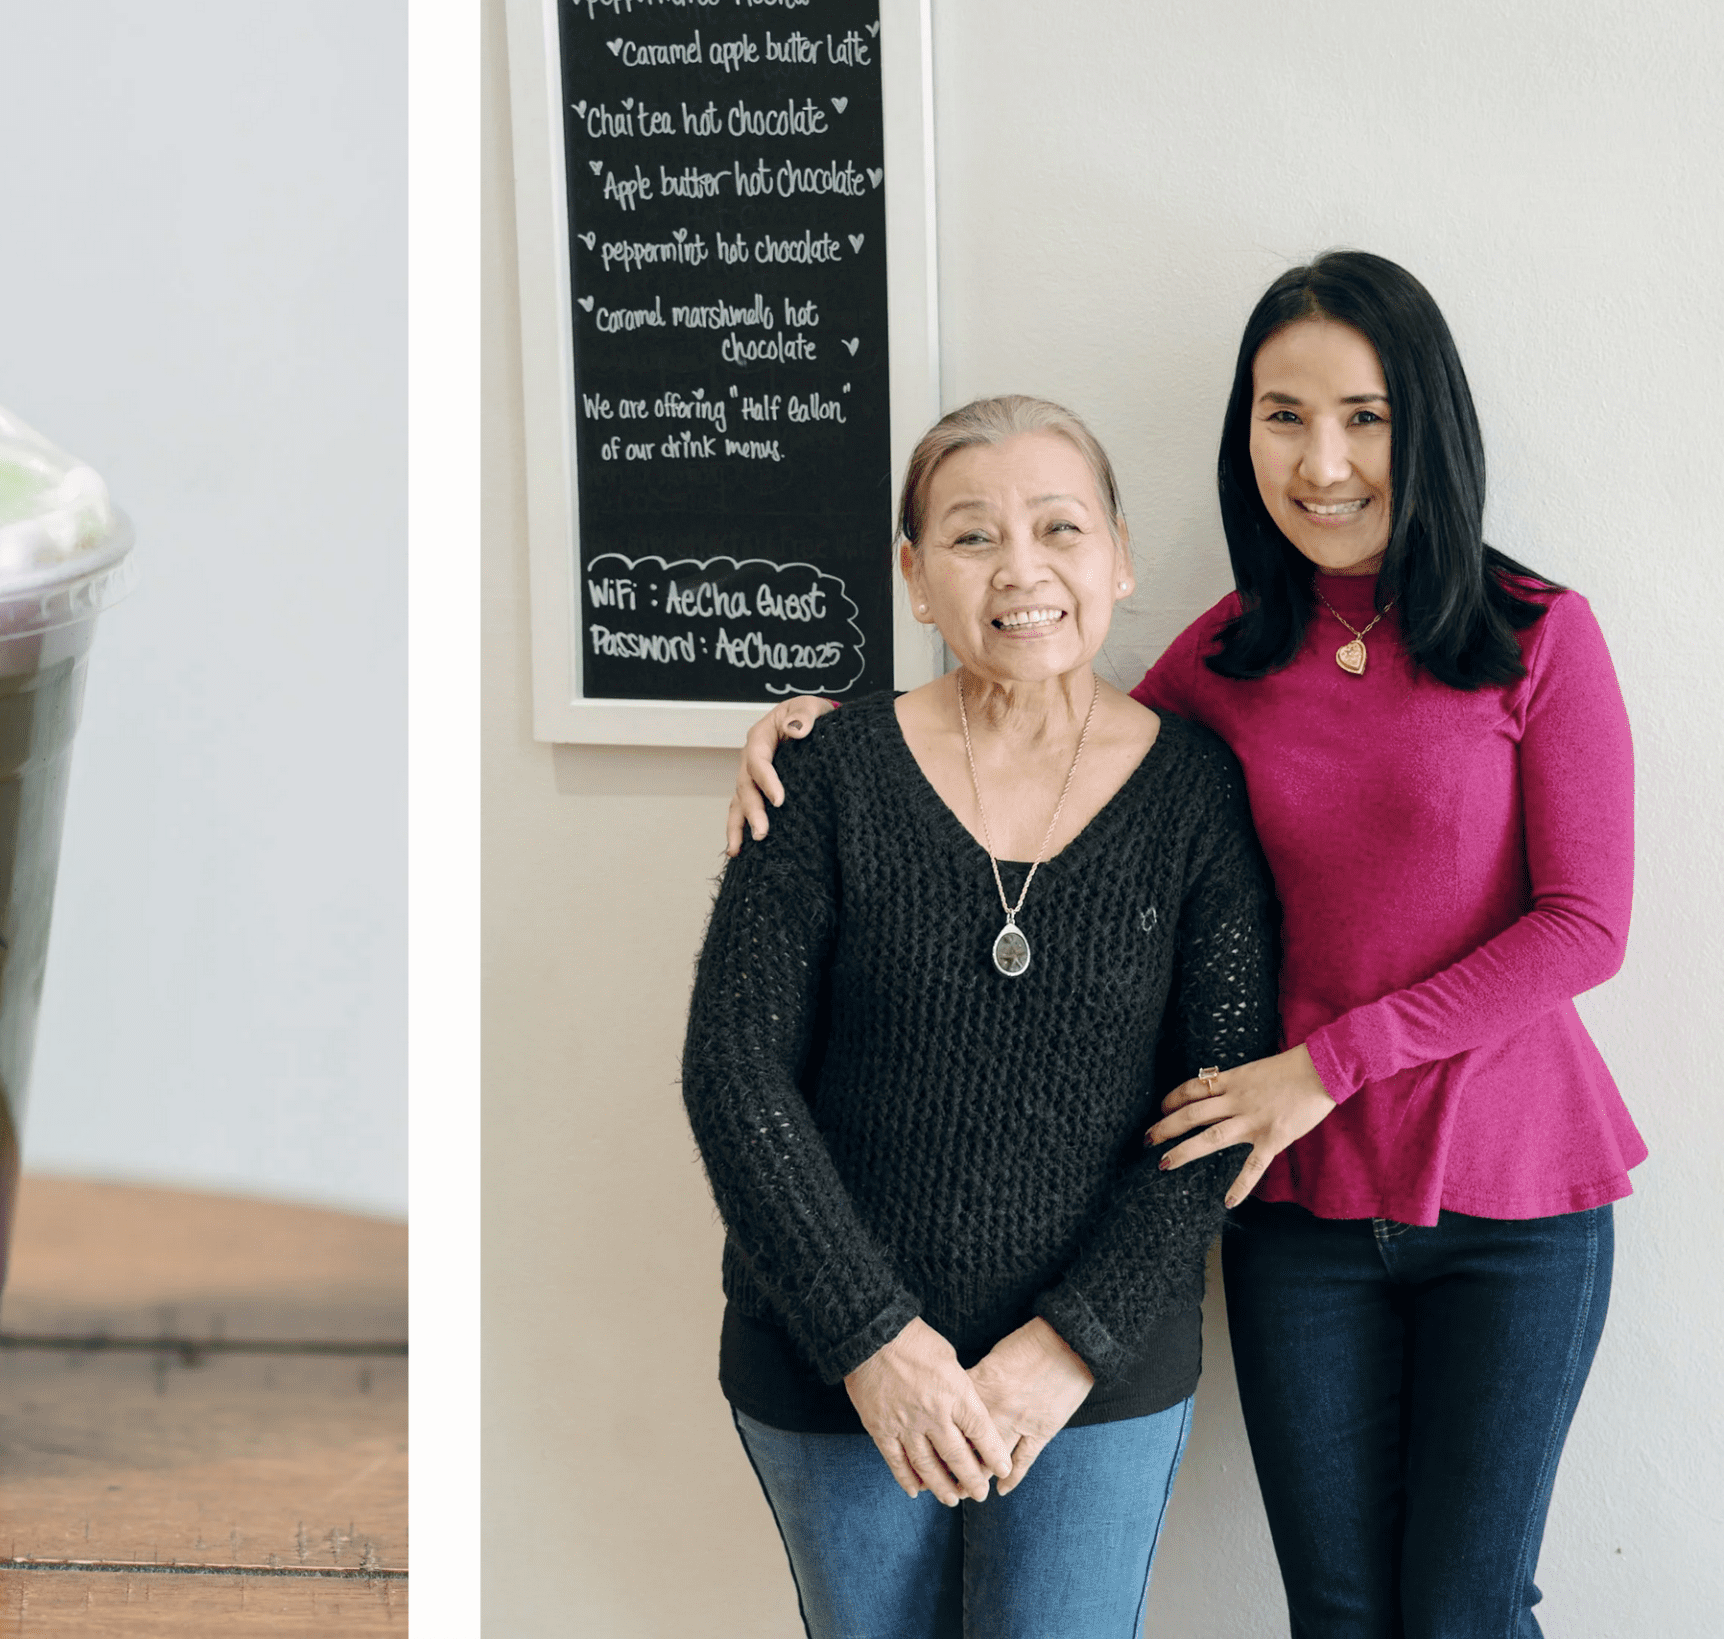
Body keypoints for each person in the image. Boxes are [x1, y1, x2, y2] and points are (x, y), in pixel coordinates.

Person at [728, 252, 1640, 1636]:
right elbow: (1035, 712)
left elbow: (1586, 926)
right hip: (1292, 1211)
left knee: (1464, 1607)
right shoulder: (1215, 666)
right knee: (1335, 1608)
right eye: (1284, 415)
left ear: (1427, 427)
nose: (1321, 460)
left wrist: (1328, 1062)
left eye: (1364, 416)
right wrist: (819, 724)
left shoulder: (1536, 637)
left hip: (1513, 1198)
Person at [685, 394, 1278, 1638]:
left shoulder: (1196, 796)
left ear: (1116, 554)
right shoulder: (825, 776)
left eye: (1058, 527)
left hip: (1093, 1373)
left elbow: (1219, 1109)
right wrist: (873, 1339)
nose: (1021, 570)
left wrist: (1068, 1345)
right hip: (830, 1361)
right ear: (912, 576)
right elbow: (733, 1070)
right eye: (969, 536)